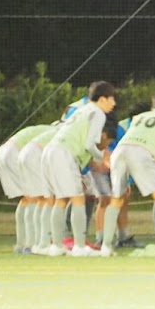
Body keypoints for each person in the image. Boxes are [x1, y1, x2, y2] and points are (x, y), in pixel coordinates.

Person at [40, 81, 118, 258]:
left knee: (60, 200)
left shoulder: (83, 109)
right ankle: (79, 246)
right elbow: (90, 144)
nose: (114, 103)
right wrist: (102, 157)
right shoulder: (98, 113)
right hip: (64, 153)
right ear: (102, 99)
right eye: (112, 99)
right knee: (78, 199)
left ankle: (57, 246)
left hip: (50, 150)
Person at [101, 94, 155, 257]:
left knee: (116, 200)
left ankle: (105, 247)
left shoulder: (140, 116)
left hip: (120, 151)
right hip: (141, 152)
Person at [0, 122, 56, 253]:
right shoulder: (59, 133)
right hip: (16, 154)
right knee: (41, 198)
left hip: (2, 152)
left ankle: (21, 244)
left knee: (27, 198)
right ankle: (34, 243)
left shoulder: (44, 129)